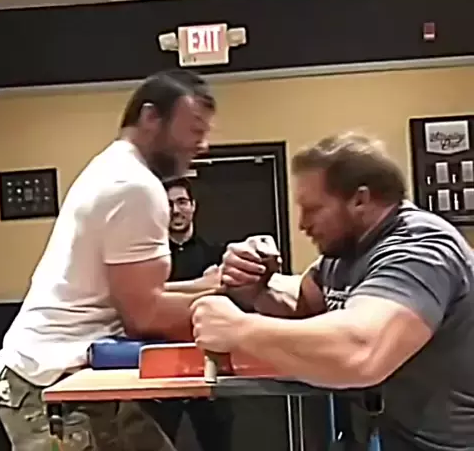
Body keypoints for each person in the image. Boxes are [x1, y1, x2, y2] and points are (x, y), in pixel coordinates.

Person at [191, 132, 474, 451]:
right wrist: (255, 286)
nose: (302, 224)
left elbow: (361, 352)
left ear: (360, 200)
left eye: (312, 209)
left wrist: (237, 329)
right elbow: (303, 302)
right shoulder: (346, 253)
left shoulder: (419, 251)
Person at [0, 69, 218, 451]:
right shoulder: (135, 186)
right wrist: (236, 306)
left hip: (64, 375)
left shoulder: (115, 168)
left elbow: (128, 292)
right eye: (194, 130)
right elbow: (143, 315)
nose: (203, 145)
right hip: (50, 383)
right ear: (151, 117)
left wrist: (212, 284)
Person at [146, 176, 231, 451]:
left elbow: (221, 290)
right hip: (161, 365)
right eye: (168, 204)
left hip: (209, 362)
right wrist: (199, 286)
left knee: (218, 444)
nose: (176, 210)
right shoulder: (149, 260)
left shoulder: (215, 253)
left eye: (182, 202)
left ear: (193, 206)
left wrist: (162, 291)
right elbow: (142, 297)